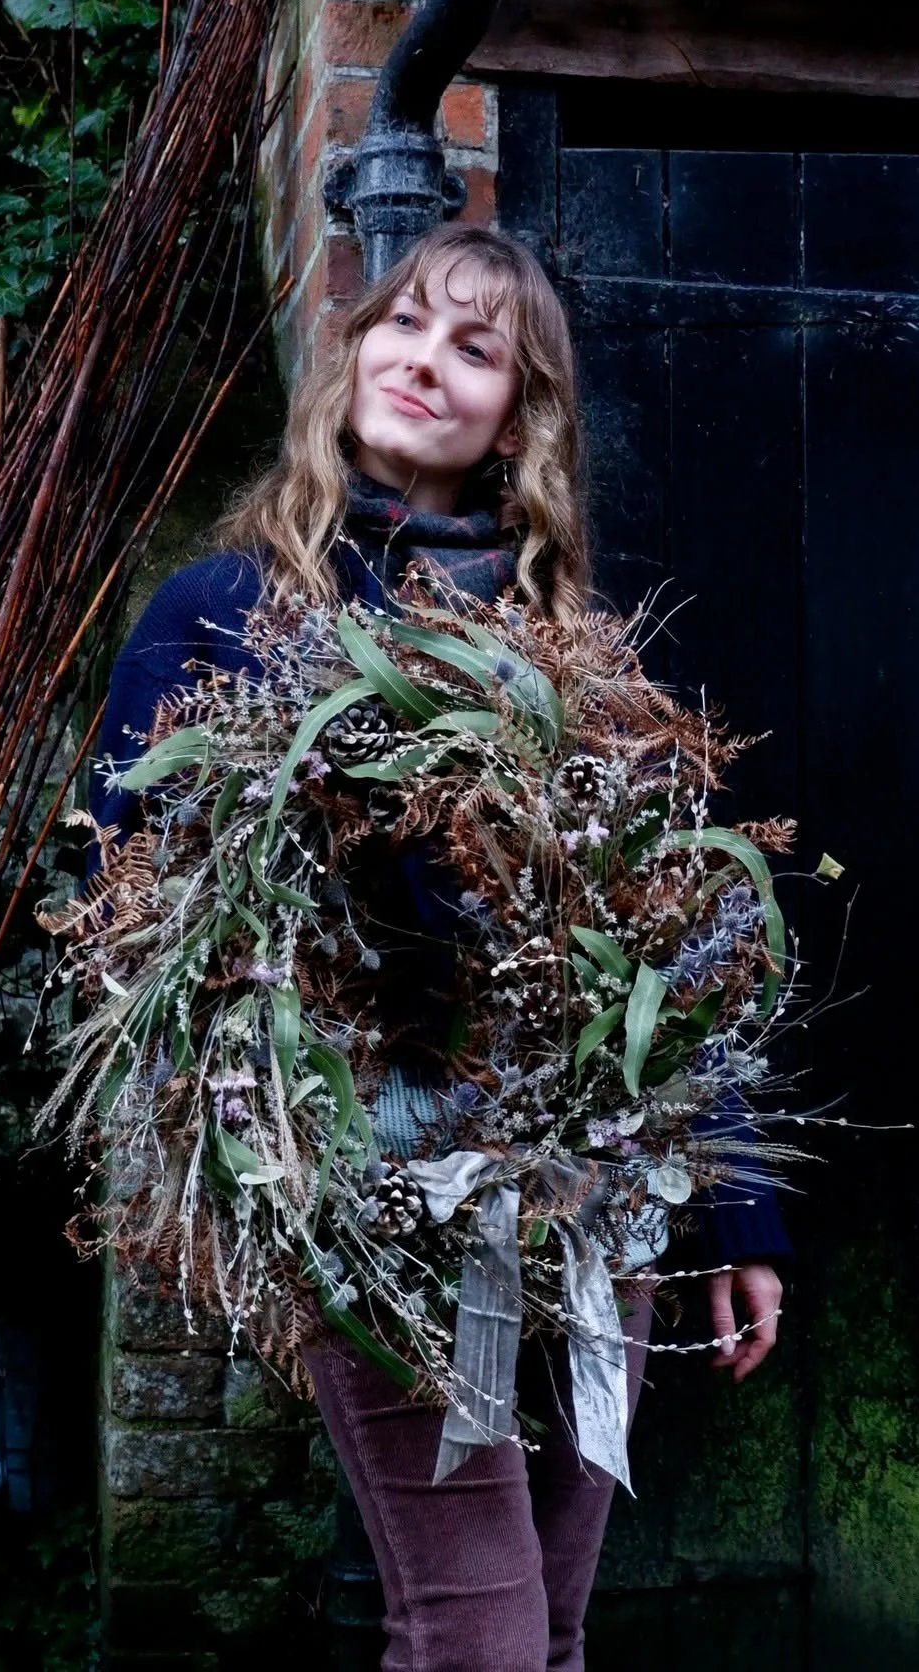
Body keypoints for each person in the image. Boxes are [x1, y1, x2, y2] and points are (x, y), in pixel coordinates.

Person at [90, 221, 789, 1672]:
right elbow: (132, 887)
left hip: (598, 1194)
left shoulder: (571, 651)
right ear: (351, 352)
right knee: (477, 1631)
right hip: (388, 1187)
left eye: (476, 350)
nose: (426, 362)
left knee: (554, 1631)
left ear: (518, 418)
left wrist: (737, 1213)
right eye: (405, 327)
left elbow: (671, 940)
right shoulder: (223, 613)